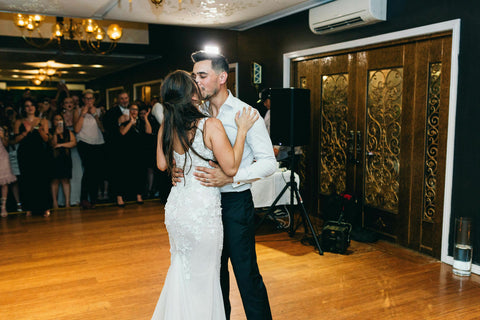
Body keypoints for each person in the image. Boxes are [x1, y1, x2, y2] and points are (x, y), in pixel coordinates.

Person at [151, 70, 258, 320]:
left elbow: (161, 165)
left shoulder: (169, 125)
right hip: (201, 211)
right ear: (193, 95)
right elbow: (230, 167)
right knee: (205, 277)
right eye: (195, 83)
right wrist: (242, 131)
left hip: (177, 209)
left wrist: (177, 165)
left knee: (182, 271)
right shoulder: (210, 124)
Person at [187, 51, 276, 320]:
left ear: (222, 77)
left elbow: (269, 163)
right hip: (204, 206)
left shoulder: (245, 113)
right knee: (214, 276)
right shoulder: (196, 114)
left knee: (246, 275)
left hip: (235, 205)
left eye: (202, 76)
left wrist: (231, 177)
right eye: (194, 76)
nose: (197, 82)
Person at [14, 98, 52, 217]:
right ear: (24, 109)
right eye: (27, 106)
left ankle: (45, 207)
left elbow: (47, 139)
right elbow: (14, 140)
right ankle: (29, 208)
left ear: (36, 107)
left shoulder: (43, 121)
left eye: (32, 105)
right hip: (25, 153)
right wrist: (26, 132)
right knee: (27, 180)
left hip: (39, 153)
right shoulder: (19, 122)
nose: (30, 108)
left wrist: (40, 131)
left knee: (41, 180)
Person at [73, 89, 105, 209]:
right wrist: (83, 114)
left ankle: (94, 198)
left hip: (98, 142)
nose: (89, 101)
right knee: (88, 170)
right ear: (83, 100)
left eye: (91, 98)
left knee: (96, 171)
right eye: (86, 98)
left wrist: (95, 114)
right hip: (84, 142)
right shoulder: (78, 111)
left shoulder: (98, 110)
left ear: (94, 100)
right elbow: (76, 129)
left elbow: (103, 128)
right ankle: (84, 198)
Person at [117, 103, 152, 205]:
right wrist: (130, 123)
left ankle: (139, 196)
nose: (134, 111)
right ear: (129, 110)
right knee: (123, 175)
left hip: (139, 152)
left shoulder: (141, 122)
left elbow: (149, 132)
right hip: (126, 152)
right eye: (132, 109)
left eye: (136, 110)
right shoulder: (124, 121)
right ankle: (120, 198)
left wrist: (145, 118)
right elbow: (122, 132)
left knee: (139, 174)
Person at [50, 113, 77, 208]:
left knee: (66, 180)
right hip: (54, 158)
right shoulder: (51, 131)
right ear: (53, 122)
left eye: (60, 119)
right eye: (56, 119)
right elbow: (53, 144)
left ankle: (67, 203)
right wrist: (56, 133)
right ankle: (55, 203)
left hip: (65, 158)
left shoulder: (68, 131)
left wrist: (61, 145)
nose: (58, 121)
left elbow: (73, 143)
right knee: (55, 181)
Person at [0, 121, 17, 217]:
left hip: (2, 157)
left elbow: (7, 144)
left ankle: (3, 207)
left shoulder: (2, 128)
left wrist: (2, 136)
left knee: (4, 183)